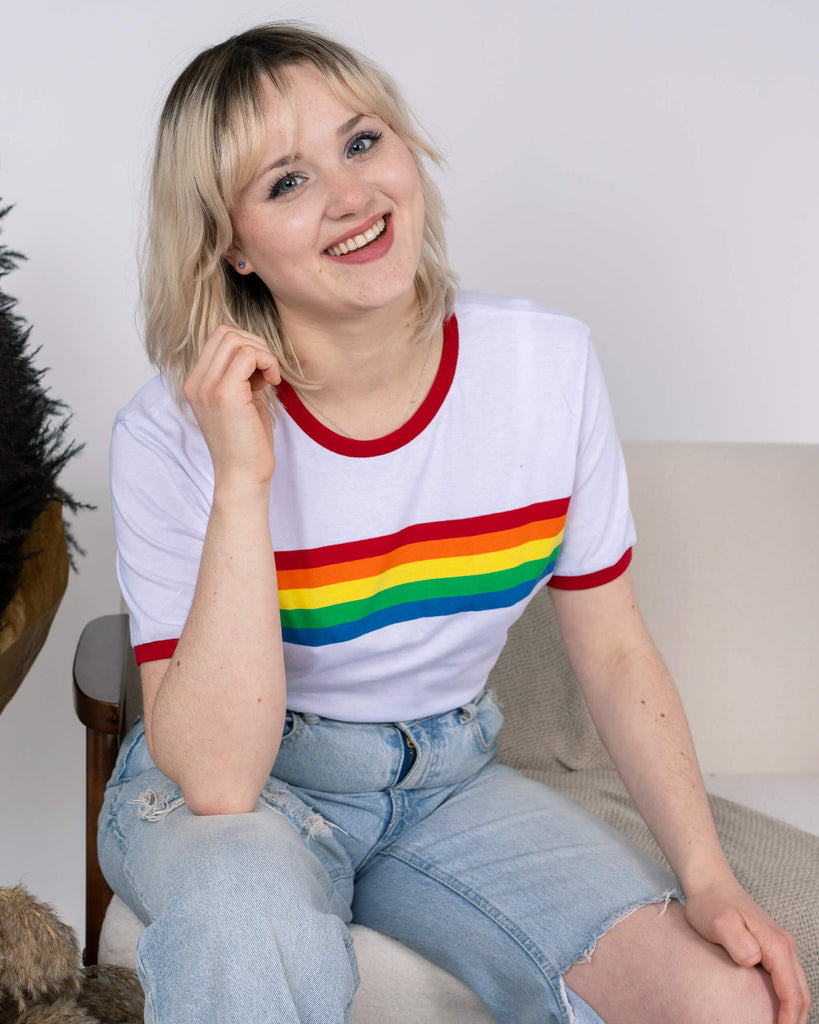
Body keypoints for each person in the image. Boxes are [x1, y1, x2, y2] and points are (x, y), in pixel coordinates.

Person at [100, 22, 810, 1024]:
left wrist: (708, 875)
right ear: (228, 242)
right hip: (241, 798)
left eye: (361, 142)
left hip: (447, 782)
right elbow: (218, 778)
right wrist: (243, 477)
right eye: (286, 182)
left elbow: (612, 650)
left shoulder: (546, 369)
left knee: (723, 1002)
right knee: (236, 922)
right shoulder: (169, 435)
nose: (350, 196)